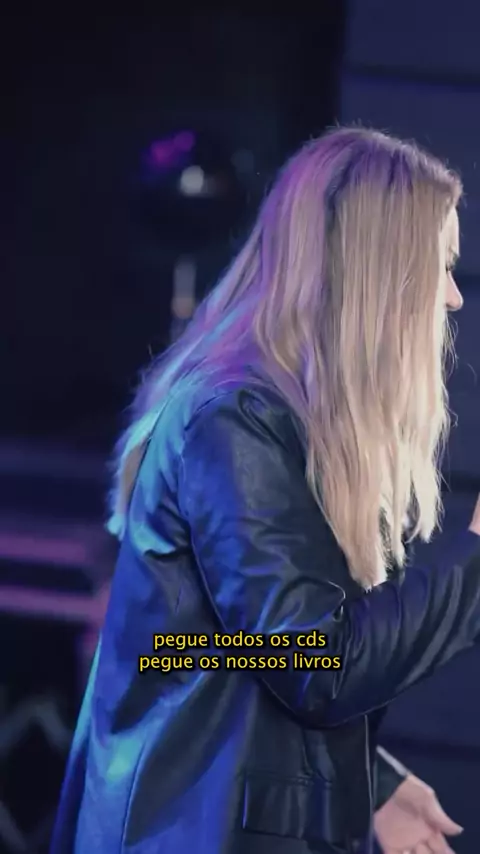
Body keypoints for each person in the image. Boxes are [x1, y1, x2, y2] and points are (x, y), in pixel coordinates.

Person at [51, 126, 480, 854]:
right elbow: (314, 660)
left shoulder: (277, 419)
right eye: (438, 266)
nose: (453, 297)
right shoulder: (234, 421)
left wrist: (369, 782)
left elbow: (233, 655)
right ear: (377, 274)